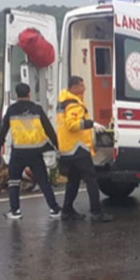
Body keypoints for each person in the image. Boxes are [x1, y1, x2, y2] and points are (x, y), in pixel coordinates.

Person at [0, 82, 62, 220]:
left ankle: (15, 211)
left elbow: (4, 130)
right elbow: (48, 128)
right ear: (29, 93)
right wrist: (57, 145)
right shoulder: (36, 109)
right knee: (43, 181)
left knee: (14, 182)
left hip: (18, 152)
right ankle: (54, 209)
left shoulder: (12, 110)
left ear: (16, 95)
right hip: (35, 152)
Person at [56, 75, 113, 222]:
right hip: (77, 148)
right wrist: (91, 124)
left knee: (73, 180)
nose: (84, 88)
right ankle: (96, 212)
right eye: (81, 85)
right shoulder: (74, 104)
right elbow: (72, 124)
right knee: (91, 179)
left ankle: (67, 211)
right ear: (74, 87)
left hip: (67, 147)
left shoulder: (63, 102)